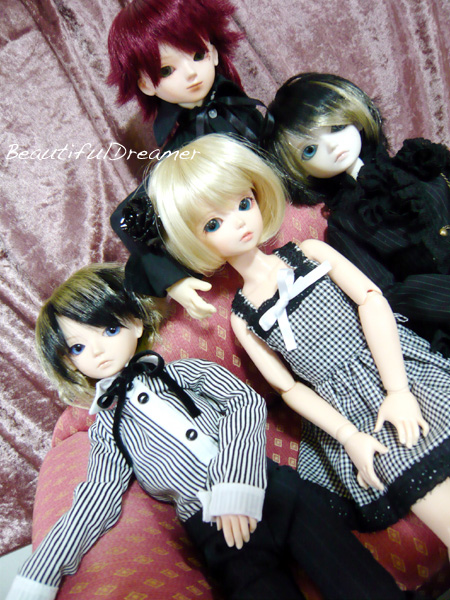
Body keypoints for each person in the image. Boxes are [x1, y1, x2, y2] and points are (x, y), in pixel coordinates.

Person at [6, 263, 409, 600]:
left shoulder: (184, 373)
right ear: (69, 362)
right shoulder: (107, 429)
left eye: (109, 330)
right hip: (214, 527)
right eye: (77, 348)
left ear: (135, 321)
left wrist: (235, 480)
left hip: (272, 488)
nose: (96, 351)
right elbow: (96, 497)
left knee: (357, 578)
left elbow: (245, 403)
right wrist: (38, 576)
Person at [146, 133, 450, 554]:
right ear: (196, 241)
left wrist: (397, 389)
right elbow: (289, 389)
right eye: (212, 224)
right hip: (348, 409)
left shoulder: (309, 253)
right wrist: (348, 436)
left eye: (243, 203)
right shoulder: (244, 317)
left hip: (395, 364)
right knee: (423, 488)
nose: (238, 223)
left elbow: (372, 300)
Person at [263, 72, 450, 357]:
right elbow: (386, 291)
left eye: (336, 127)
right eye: (310, 150)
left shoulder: (416, 161)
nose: (332, 146)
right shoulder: (346, 224)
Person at [107, 0, 268, 318]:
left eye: (198, 54)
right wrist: (174, 280)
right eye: (167, 70)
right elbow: (125, 218)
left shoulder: (238, 106)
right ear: (145, 84)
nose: (192, 73)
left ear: (214, 52)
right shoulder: (181, 153)